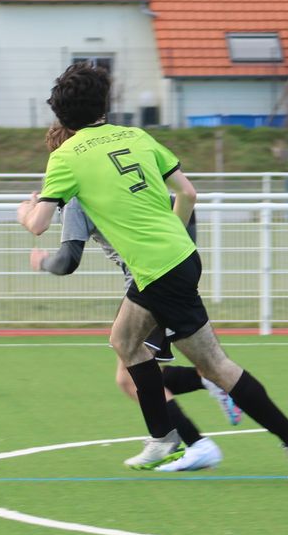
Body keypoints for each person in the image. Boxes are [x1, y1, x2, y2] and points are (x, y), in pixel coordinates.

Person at [17, 62, 288, 477]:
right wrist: (170, 240)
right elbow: (187, 193)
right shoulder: (137, 136)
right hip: (180, 256)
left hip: (157, 269)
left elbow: (38, 225)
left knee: (194, 361)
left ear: (61, 115)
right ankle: (272, 437)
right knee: (146, 346)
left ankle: (179, 437)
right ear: (104, 104)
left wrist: (25, 210)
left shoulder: (66, 156)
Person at [31, 125, 240, 471]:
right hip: (163, 277)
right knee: (137, 373)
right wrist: (179, 252)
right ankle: (208, 384)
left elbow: (67, 261)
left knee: (130, 378)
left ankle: (196, 443)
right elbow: (183, 200)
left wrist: (40, 261)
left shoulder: (79, 198)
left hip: (149, 287)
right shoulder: (121, 178)